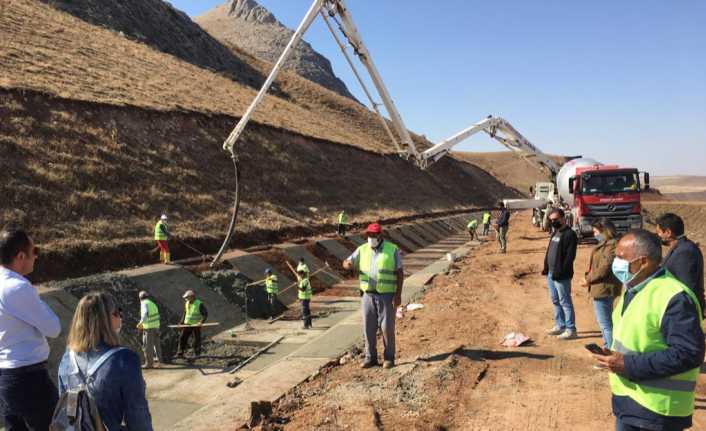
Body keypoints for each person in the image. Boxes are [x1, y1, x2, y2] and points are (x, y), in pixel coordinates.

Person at [592, 229, 704, 431]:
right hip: (630, 401)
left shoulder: (674, 297)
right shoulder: (633, 290)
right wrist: (615, 357)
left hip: (657, 411)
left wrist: (628, 364)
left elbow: (688, 353)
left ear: (643, 262)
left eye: (620, 257)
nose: (615, 263)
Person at [58, 291, 153, 431]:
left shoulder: (68, 355)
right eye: (117, 313)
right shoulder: (124, 359)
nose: (120, 317)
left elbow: (64, 403)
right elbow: (137, 414)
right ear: (106, 319)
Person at [0, 228, 62, 430]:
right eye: (34, 251)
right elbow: (54, 328)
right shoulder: (18, 287)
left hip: (6, 376)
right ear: (20, 256)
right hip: (29, 378)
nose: (36, 256)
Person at [343, 223, 403, 369]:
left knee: (387, 328)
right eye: (369, 235)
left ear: (380, 236)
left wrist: (398, 295)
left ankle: (389, 358)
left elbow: (400, 273)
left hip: (387, 295)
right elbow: (346, 262)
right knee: (368, 327)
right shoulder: (362, 249)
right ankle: (371, 358)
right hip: (367, 295)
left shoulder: (392, 249)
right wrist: (348, 264)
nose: (371, 238)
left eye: (374, 235)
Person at [582, 219, 621, 348]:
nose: (594, 234)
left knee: (605, 324)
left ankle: (610, 352)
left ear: (604, 231)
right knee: (605, 323)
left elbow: (604, 268)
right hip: (602, 286)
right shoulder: (606, 244)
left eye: (596, 231)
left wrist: (588, 280)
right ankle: (607, 348)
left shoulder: (611, 246)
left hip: (604, 288)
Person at [655, 213, 704, 314]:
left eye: (659, 232)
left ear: (668, 232)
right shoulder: (680, 247)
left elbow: (687, 287)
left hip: (683, 311)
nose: (658, 236)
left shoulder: (685, 252)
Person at [542, 208, 579, 340]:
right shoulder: (555, 232)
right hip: (551, 274)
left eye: (556, 219)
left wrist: (561, 272)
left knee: (565, 302)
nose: (553, 222)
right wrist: (546, 268)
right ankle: (560, 325)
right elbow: (549, 251)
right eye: (551, 220)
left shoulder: (570, 234)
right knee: (555, 300)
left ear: (563, 218)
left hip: (561, 276)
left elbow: (570, 258)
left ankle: (571, 329)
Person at [175, 290, 208, 358]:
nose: (186, 299)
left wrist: (201, 322)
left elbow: (205, 314)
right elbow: (185, 313)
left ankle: (197, 354)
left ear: (192, 297)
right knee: (182, 338)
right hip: (188, 324)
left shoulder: (199, 304)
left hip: (196, 325)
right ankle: (180, 353)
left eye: (187, 297)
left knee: (196, 340)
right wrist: (181, 322)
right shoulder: (187, 303)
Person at [137, 291, 163, 369]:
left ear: (140, 298)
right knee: (156, 345)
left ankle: (149, 364)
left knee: (147, 346)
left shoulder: (144, 303)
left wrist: (140, 323)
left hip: (149, 328)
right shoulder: (152, 303)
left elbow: (145, 314)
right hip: (156, 327)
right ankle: (160, 362)